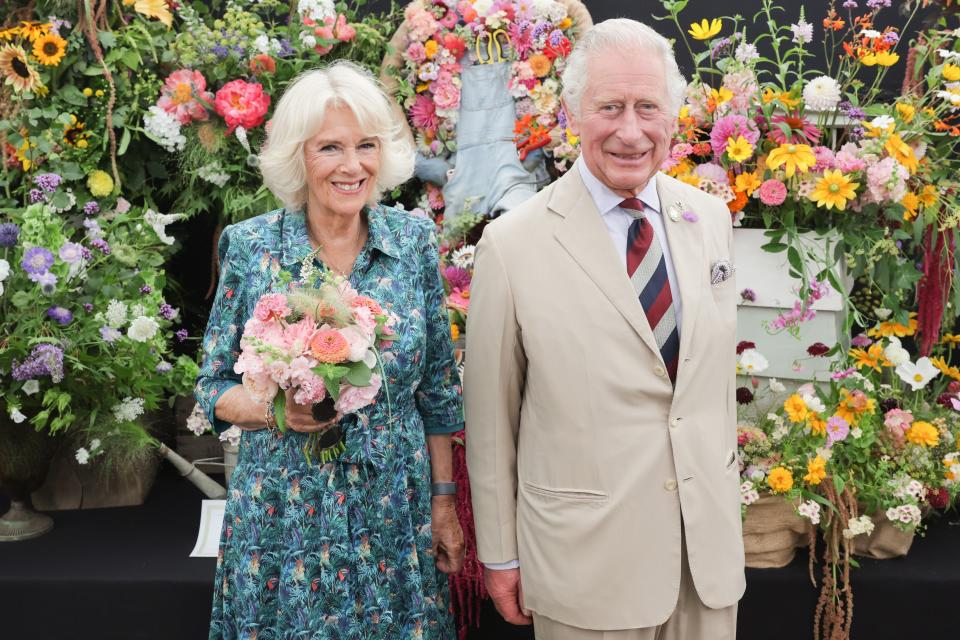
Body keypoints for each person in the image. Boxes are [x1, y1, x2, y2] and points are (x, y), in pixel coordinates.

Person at [464, 18, 745, 640]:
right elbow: (489, 420)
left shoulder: (710, 219)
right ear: (571, 114)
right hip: (583, 567)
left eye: (648, 106)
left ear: (674, 115)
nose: (630, 130)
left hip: (706, 563)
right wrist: (501, 554)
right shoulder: (512, 245)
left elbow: (706, 387)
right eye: (609, 107)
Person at [195, 60, 465, 640]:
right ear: (298, 157)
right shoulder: (251, 248)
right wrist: (275, 411)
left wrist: (444, 504)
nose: (352, 165)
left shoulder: (413, 242)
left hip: (396, 512)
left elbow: (438, 389)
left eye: (366, 145)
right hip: (284, 519)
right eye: (330, 148)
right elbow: (213, 385)